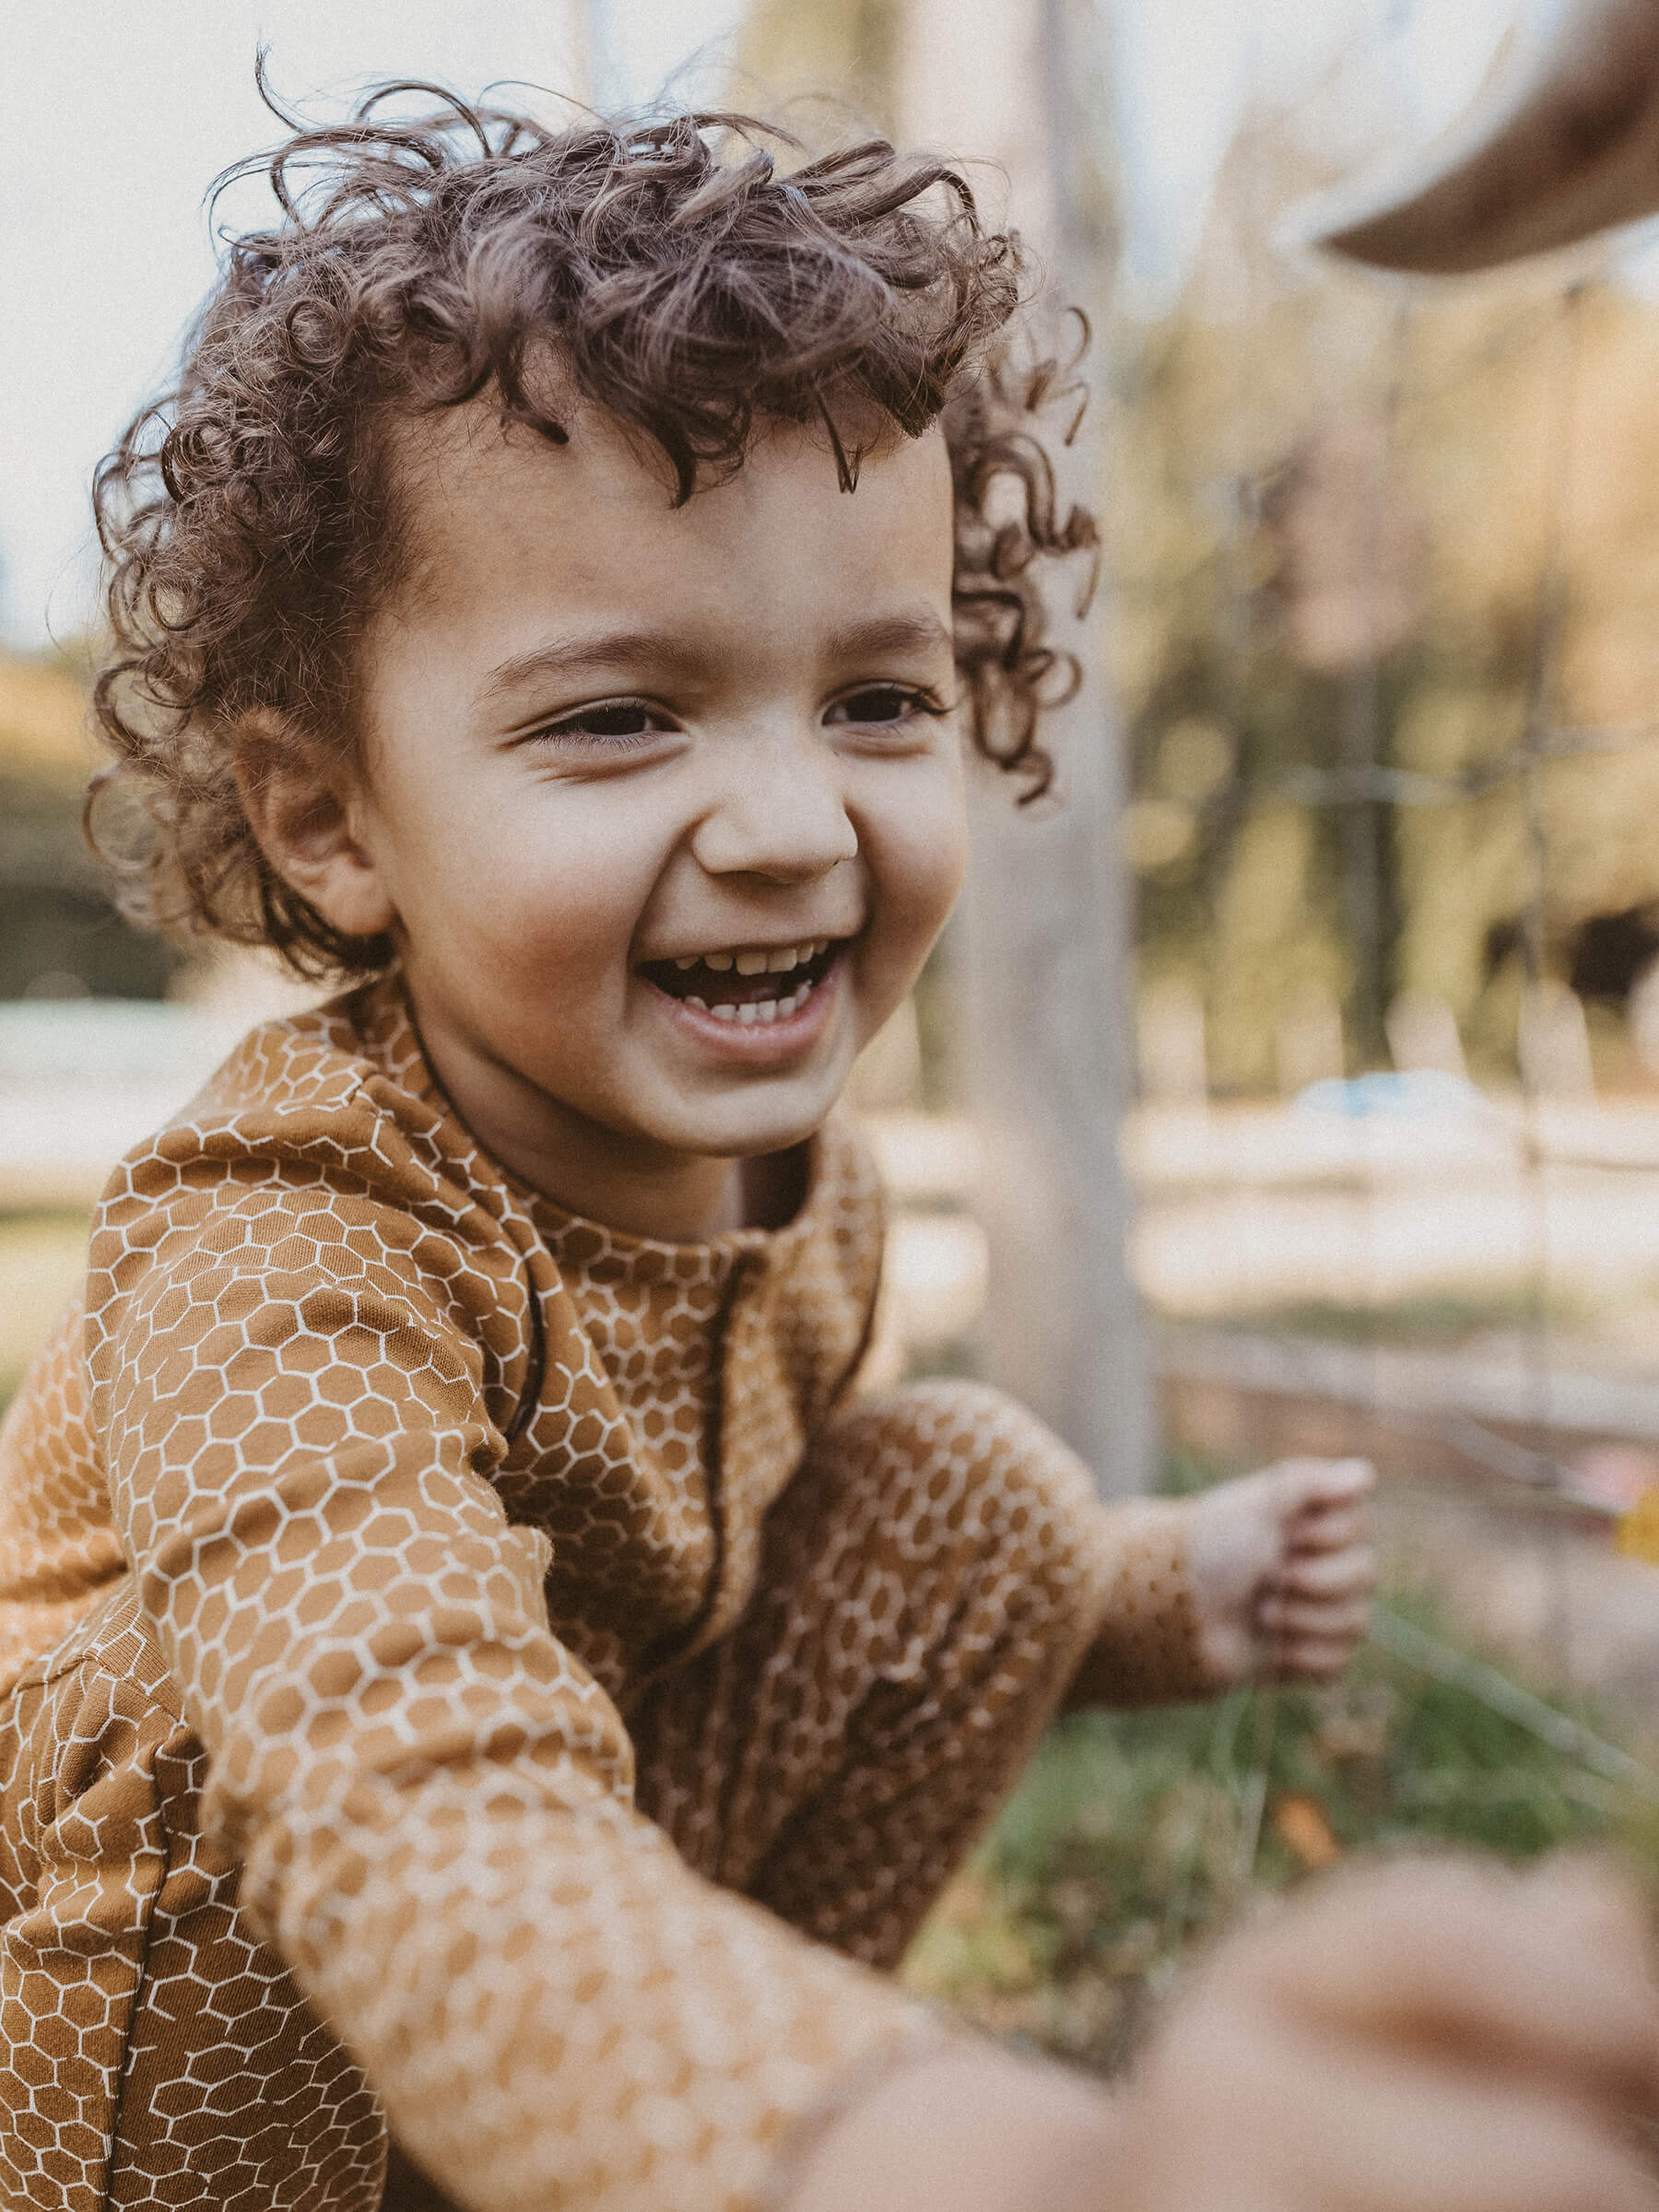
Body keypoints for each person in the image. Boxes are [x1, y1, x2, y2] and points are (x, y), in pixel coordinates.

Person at [0, 80, 1651, 2212]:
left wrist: (1160, 1595)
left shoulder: (797, 1181)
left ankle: (646, 2140)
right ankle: (770, 2141)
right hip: (132, 2030)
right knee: (221, 1742)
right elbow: (405, 1801)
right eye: (616, 717)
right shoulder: (282, 1256)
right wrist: (975, 2166)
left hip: (497, 1949)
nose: (792, 826)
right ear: (329, 821)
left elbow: (776, 1548)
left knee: (968, 1498)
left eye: (876, 699)